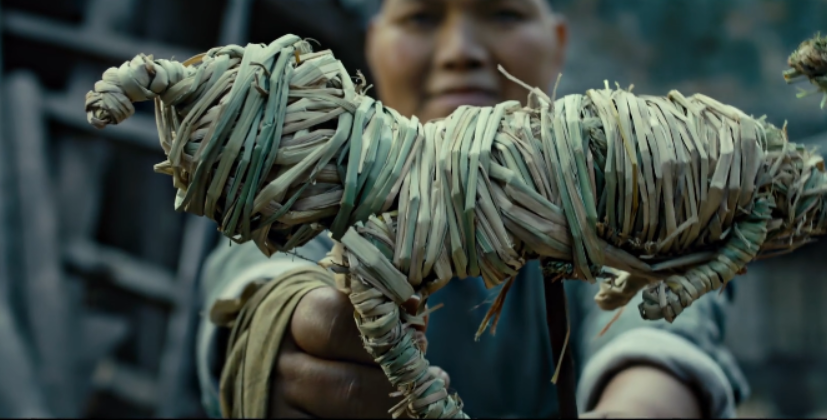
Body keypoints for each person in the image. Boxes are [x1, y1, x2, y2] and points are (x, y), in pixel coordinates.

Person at [195, 0, 749, 418]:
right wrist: (279, 339)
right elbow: (260, 278)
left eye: (504, 14)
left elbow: (653, 310)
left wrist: (644, 398)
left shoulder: (614, 185)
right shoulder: (314, 184)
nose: (461, 50)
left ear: (557, 43)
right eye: (420, 18)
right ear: (373, 44)